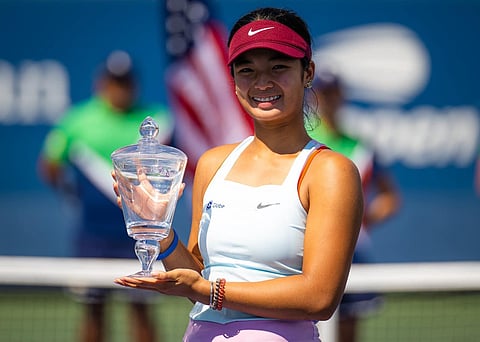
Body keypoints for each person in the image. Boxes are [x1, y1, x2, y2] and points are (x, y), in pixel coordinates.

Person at [113, 8, 363, 341]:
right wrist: (160, 232)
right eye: (247, 70)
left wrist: (210, 291)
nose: (262, 82)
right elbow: (197, 279)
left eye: (279, 67)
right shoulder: (213, 163)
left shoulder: (331, 171)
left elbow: (318, 298)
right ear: (232, 81)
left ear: (308, 72)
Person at [38, 50, 173, 342]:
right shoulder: (77, 121)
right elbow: (49, 165)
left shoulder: (158, 120)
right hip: (93, 236)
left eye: (125, 82)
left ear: (134, 85)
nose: (119, 89)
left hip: (141, 237)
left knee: (141, 311)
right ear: (101, 83)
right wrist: (73, 195)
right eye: (114, 82)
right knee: (94, 310)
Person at [307, 68, 401, 342]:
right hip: (306, 250)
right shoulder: (305, 143)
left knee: (347, 330)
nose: (328, 100)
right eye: (323, 93)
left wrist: (363, 219)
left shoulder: (362, 148)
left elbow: (390, 198)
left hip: (354, 252)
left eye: (333, 93)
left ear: (342, 97)